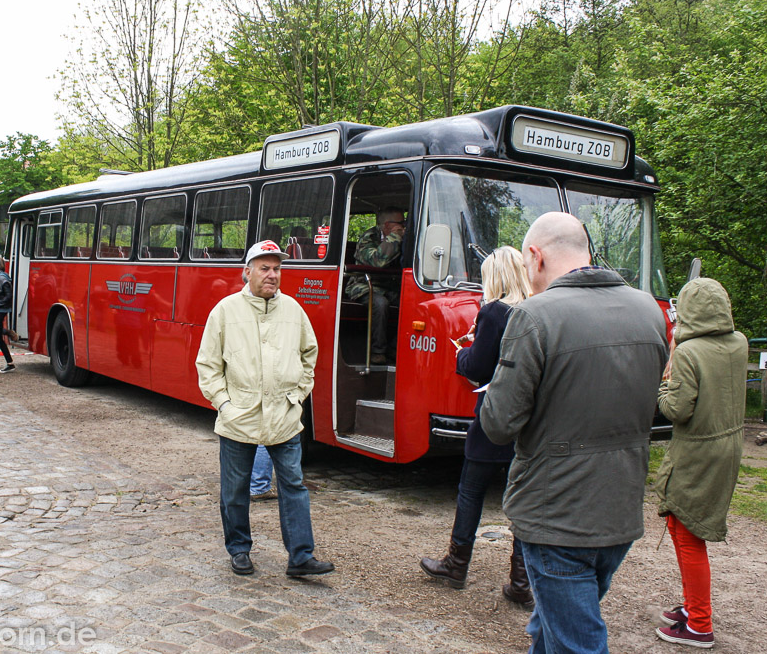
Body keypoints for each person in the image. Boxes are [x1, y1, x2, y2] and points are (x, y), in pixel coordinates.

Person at [480, 212, 668, 654]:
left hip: (555, 514)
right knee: (553, 625)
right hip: (620, 511)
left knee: (577, 641)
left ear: (535, 255)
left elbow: (498, 424)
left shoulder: (533, 316)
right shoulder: (649, 311)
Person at [195, 240, 334, 577]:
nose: (272, 275)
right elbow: (208, 366)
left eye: (277, 269)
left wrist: (298, 395)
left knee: (294, 487)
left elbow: (309, 356)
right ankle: (239, 550)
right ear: (247, 272)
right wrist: (224, 405)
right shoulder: (225, 311)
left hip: (284, 417)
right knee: (235, 491)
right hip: (239, 417)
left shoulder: (294, 311)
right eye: (265, 268)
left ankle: (301, 557)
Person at [420, 246, 533, 606]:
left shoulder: (493, 312)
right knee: (523, 499)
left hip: (494, 416)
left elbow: (479, 366)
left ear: (494, 278)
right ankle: (521, 580)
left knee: (471, 490)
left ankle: (456, 564)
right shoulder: (533, 311)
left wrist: (461, 353)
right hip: (528, 420)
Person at [653, 278, 747, 649]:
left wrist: (665, 376)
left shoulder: (689, 353)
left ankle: (700, 624)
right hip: (727, 444)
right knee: (680, 525)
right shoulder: (739, 343)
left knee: (688, 534)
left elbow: (676, 409)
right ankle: (694, 607)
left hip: (698, 450)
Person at [345, 207, 406, 364]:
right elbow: (377, 261)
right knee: (380, 303)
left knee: (411, 303)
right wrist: (394, 238)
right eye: (400, 223)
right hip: (364, 284)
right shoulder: (368, 237)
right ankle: (377, 352)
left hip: (389, 286)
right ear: (387, 225)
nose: (403, 226)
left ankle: (395, 348)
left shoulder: (401, 237)